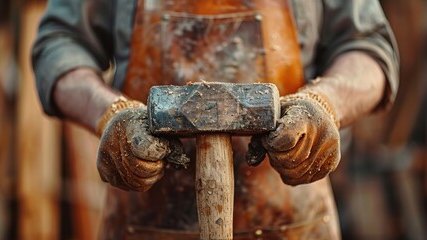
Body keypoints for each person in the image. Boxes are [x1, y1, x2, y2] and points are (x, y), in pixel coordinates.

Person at [32, 0, 399, 239]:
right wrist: (106, 112)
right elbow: (60, 43)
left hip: (293, 227)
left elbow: (367, 45)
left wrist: (326, 103)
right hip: (144, 227)